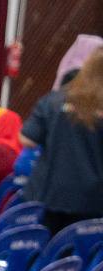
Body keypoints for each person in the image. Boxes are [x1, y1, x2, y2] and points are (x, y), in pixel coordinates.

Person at [21, 51, 103, 237]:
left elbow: (27, 139)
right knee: (86, 250)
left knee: (47, 248)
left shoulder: (54, 100)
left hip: (50, 194)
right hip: (93, 201)